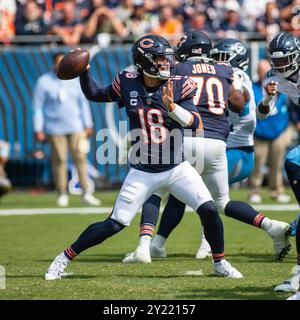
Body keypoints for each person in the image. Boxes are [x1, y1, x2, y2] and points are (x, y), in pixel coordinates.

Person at [44, 35, 242, 280]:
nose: (166, 63)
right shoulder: (127, 81)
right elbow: (95, 93)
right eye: (160, 59)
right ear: (143, 61)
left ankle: (219, 263)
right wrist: (84, 72)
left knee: (209, 210)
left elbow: (196, 123)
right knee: (114, 223)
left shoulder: (180, 83)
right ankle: (63, 258)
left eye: (167, 58)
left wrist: (173, 108)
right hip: (143, 171)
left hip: (176, 167)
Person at [123, 32, 291, 265]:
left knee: (159, 190)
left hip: (206, 142)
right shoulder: (225, 72)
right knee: (215, 201)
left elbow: (236, 104)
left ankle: (147, 246)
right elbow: (247, 108)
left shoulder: (183, 69)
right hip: (220, 145)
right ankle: (271, 226)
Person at [256, 31, 300, 300]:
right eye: (277, 62)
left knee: (293, 160)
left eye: (285, 61)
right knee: (292, 161)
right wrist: (267, 98)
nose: (281, 67)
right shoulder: (274, 79)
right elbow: (262, 114)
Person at [33, 51, 100, 207]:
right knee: (60, 161)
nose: (59, 64)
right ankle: (62, 192)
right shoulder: (43, 81)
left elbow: (84, 103)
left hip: (76, 126)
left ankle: (86, 192)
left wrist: (88, 123)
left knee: (81, 159)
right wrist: (38, 128)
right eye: (57, 61)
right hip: (54, 128)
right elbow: (37, 107)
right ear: (53, 63)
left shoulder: (75, 80)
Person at [249, 59, 292, 204]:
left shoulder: (282, 88)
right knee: (258, 164)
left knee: (277, 163)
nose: (265, 74)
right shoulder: (252, 88)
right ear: (258, 73)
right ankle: (254, 191)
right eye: (262, 71)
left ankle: (277, 191)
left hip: (279, 130)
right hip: (260, 131)